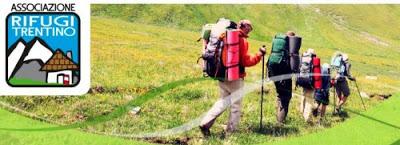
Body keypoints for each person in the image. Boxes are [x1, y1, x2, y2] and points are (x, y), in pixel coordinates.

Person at [199, 19, 266, 137]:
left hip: (221, 74)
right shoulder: (241, 40)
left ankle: (205, 122)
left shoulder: (225, 36)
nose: (250, 30)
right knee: (236, 105)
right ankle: (231, 132)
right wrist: (259, 55)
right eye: (249, 27)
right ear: (244, 27)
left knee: (222, 101)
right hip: (235, 77)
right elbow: (246, 61)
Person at [268, 31, 295, 126]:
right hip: (285, 74)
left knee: (280, 94)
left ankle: (278, 117)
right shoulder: (290, 44)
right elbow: (293, 62)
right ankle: (280, 123)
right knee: (286, 97)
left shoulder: (277, 41)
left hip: (273, 72)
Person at [299, 48, 316, 123]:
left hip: (302, 80)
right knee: (309, 99)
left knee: (303, 95)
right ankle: (306, 118)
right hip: (310, 81)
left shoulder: (303, 57)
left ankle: (301, 111)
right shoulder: (313, 59)